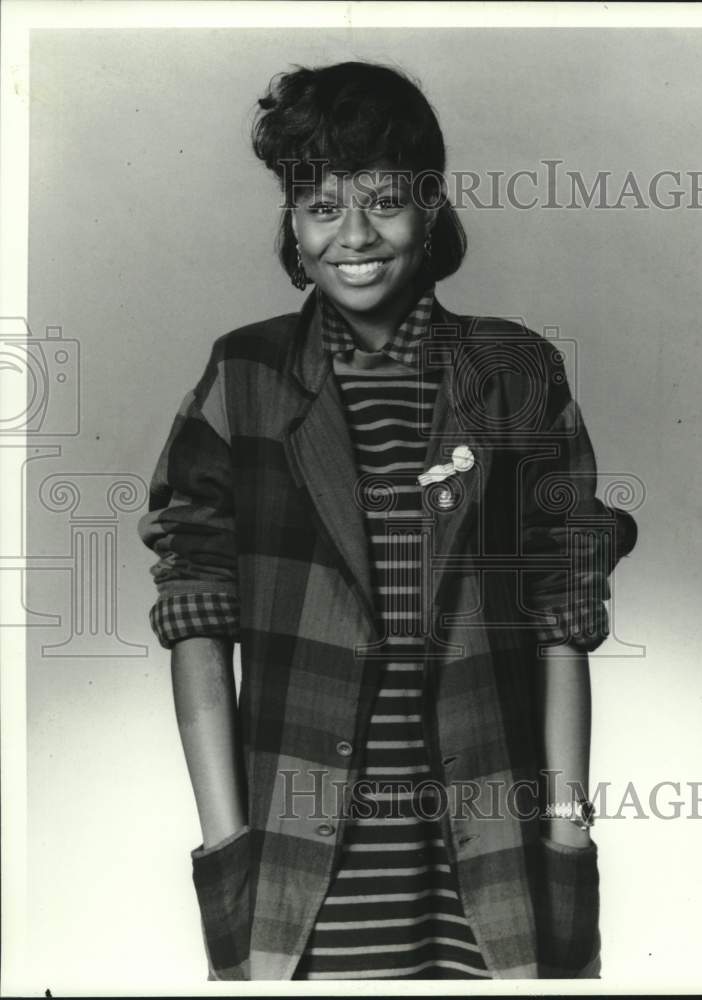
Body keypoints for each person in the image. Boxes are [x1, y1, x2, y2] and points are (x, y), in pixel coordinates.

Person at [138, 60, 637, 981]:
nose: (354, 235)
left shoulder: (511, 372)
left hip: (493, 854)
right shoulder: (242, 379)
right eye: (322, 206)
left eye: (383, 201)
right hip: (301, 863)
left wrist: (565, 836)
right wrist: (229, 844)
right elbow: (196, 610)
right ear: (292, 222)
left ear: (433, 207)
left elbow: (567, 606)